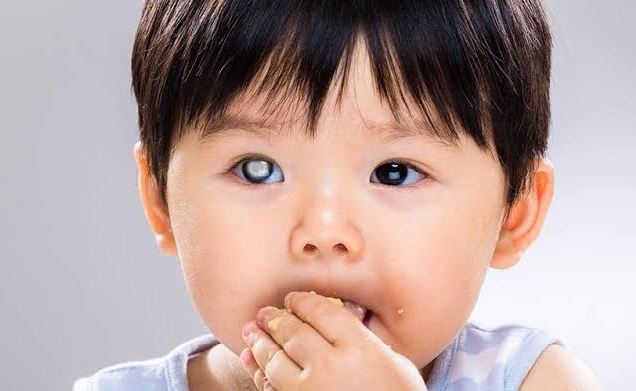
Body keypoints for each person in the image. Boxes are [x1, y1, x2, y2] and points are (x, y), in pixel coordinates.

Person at [74, 1, 601, 389]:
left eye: (395, 172)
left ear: (515, 213)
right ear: (160, 199)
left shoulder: (538, 380)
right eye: (258, 170)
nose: (323, 232)